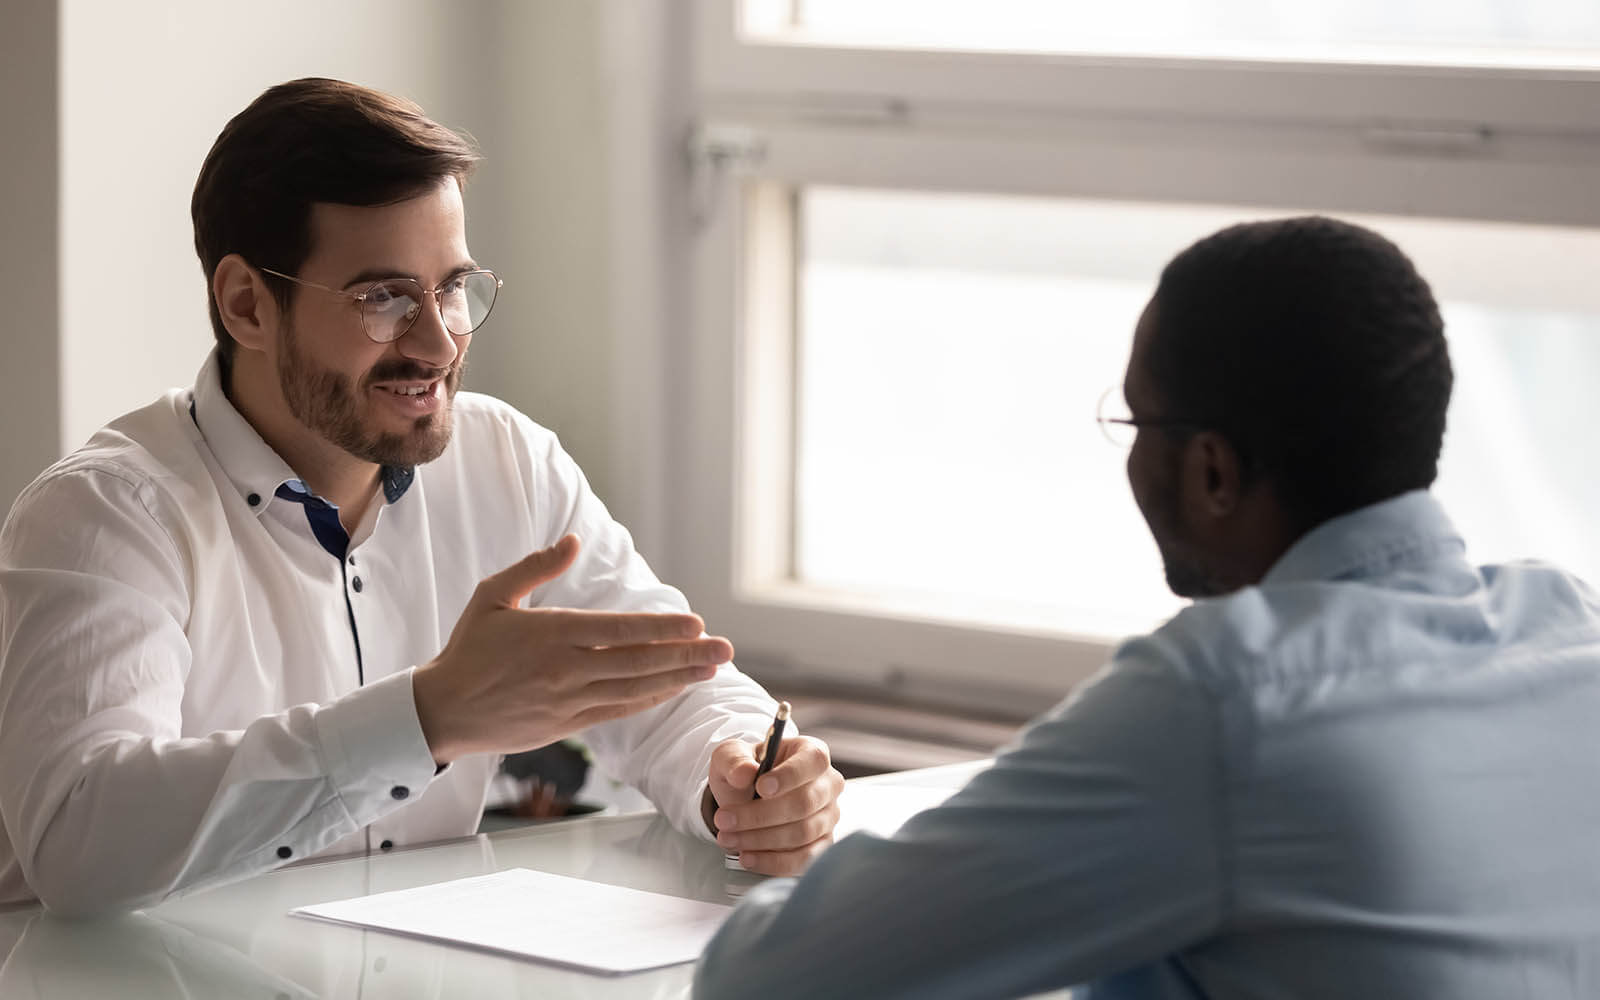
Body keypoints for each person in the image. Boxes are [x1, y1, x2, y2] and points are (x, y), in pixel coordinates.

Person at [694, 216, 1600, 999]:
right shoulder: (1569, 631)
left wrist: (815, 889)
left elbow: (768, 980)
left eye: (1134, 423)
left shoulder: (1228, 701)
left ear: (1212, 470)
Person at [0, 77, 842, 916]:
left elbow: (670, 684)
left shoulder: (506, 461)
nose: (439, 340)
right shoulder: (106, 514)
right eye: (384, 298)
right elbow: (78, 839)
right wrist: (423, 718)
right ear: (248, 304)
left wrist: (744, 780)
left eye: (452, 287)